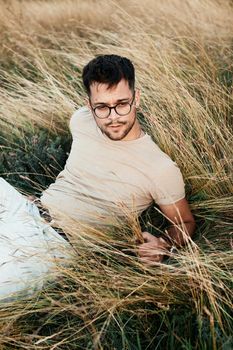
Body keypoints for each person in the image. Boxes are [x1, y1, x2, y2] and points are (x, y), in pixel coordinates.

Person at [41, 54, 196, 264]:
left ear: (136, 98)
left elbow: (184, 222)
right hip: (28, 209)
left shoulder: (160, 169)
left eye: (122, 103)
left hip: (55, 244)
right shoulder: (81, 121)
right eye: (102, 107)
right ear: (89, 105)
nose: (113, 117)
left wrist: (163, 244)